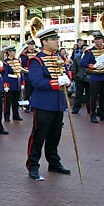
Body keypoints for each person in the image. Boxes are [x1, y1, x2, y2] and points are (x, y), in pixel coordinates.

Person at [25, 27, 72, 181]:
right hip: (44, 104)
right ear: (44, 42)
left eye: (57, 39)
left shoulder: (59, 58)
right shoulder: (36, 60)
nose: (57, 42)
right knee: (38, 136)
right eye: (53, 39)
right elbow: (37, 82)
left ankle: (53, 162)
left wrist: (67, 81)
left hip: (58, 103)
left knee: (55, 136)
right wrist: (56, 82)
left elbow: (65, 74)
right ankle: (33, 165)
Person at [80, 31, 104, 123]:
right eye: (95, 39)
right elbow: (82, 62)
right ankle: (93, 115)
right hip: (95, 77)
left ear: (103, 40)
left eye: (99, 39)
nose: (97, 41)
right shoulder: (89, 51)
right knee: (93, 97)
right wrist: (90, 66)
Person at [2, 45, 23, 122]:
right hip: (10, 83)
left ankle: (16, 115)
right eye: (13, 51)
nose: (14, 52)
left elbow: (20, 72)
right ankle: (7, 116)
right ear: (9, 52)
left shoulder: (17, 60)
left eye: (14, 51)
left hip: (17, 83)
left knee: (16, 101)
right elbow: (5, 74)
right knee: (8, 101)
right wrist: (6, 85)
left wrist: (22, 82)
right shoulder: (6, 62)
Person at [70, 43, 91, 114]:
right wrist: (75, 76)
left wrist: (87, 72)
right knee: (78, 95)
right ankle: (76, 109)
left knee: (89, 95)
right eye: (84, 48)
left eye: (86, 48)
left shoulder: (91, 59)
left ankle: (90, 109)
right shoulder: (77, 58)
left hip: (88, 79)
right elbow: (73, 68)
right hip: (79, 79)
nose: (85, 50)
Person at [20, 38, 38, 112]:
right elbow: (24, 63)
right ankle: (26, 107)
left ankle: (33, 107)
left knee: (35, 93)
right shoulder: (24, 54)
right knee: (27, 93)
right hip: (28, 75)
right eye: (31, 44)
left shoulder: (37, 52)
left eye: (33, 44)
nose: (32, 46)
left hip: (36, 75)